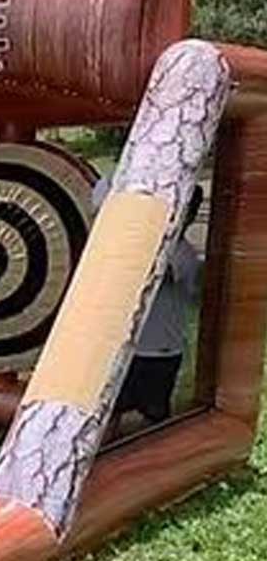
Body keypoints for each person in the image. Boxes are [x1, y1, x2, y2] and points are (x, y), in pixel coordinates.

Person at [98, 180, 204, 433]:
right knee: (111, 411)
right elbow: (102, 192)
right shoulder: (146, 243)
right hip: (128, 347)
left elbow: (159, 271)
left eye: (184, 210)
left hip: (160, 353)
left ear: (189, 216)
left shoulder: (182, 255)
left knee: (151, 418)